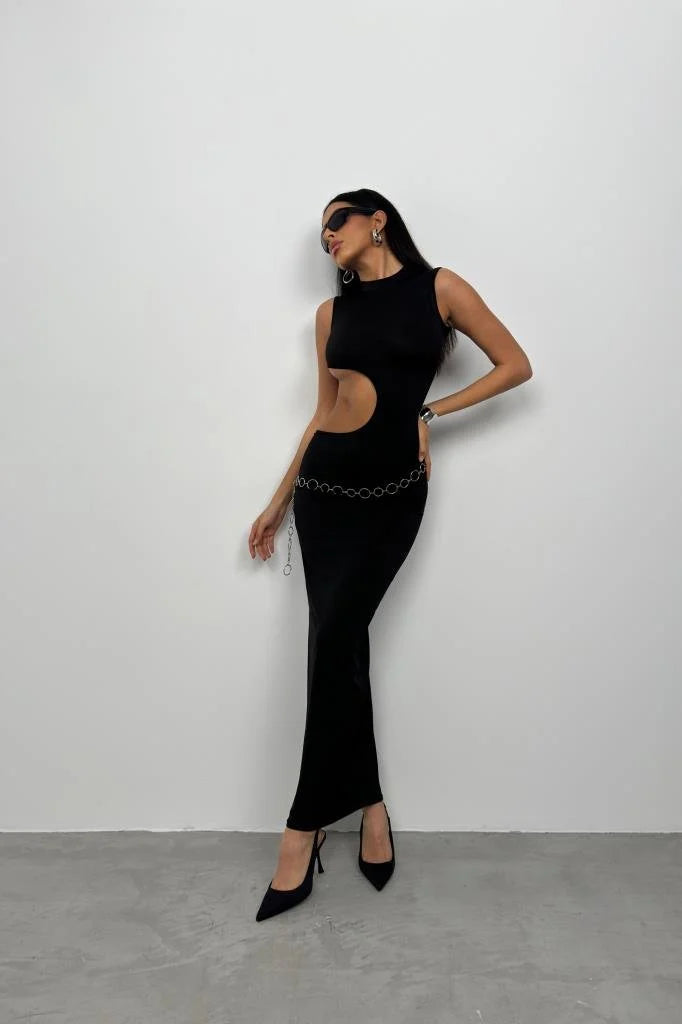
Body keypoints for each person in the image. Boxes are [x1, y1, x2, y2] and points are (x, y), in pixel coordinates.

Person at [248, 188, 533, 921]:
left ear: (376, 220)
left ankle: (303, 827)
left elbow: (514, 364)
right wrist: (279, 501)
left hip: (392, 489)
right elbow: (321, 413)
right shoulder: (330, 316)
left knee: (337, 637)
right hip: (324, 489)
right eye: (320, 234)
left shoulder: (440, 288)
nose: (327, 237)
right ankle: (369, 807)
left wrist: (430, 411)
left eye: (335, 221)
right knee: (337, 643)